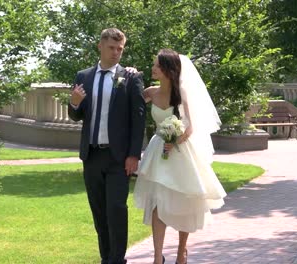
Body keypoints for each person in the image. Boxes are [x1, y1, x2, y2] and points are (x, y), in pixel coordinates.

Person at [133, 49, 227, 264]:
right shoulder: (150, 92)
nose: (153, 68)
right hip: (158, 152)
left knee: (185, 200)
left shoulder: (181, 94)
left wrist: (174, 140)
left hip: (180, 150)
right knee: (157, 203)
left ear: (167, 69)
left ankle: (181, 251)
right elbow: (131, 105)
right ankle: (158, 257)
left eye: (156, 65)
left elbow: (190, 127)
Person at [68, 28, 146, 264]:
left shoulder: (131, 77)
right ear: (100, 46)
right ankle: (106, 258)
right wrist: (74, 103)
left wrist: (134, 154)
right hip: (91, 155)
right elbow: (76, 116)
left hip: (118, 158)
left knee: (116, 209)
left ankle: (117, 259)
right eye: (111, 48)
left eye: (120, 49)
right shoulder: (83, 76)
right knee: (99, 212)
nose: (116, 53)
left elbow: (139, 117)